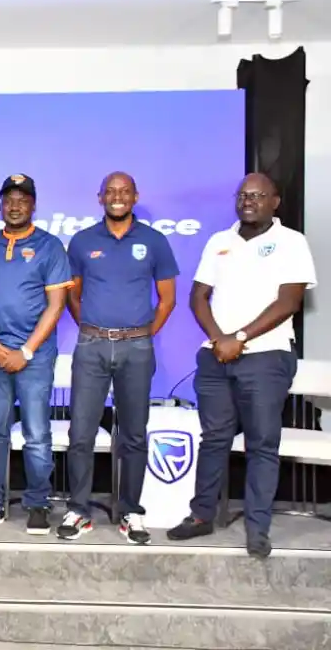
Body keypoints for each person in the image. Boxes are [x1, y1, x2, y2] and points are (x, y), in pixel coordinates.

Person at [166, 173, 316, 558]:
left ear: (275, 201)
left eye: (258, 195)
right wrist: (220, 340)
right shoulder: (220, 241)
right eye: (243, 195)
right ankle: (202, 516)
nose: (248, 201)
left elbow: (289, 302)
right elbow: (199, 296)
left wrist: (241, 338)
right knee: (213, 438)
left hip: (266, 357)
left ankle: (257, 527)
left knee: (262, 443)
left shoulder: (291, 242)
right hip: (216, 356)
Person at [58, 172, 179, 545]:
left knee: (134, 434)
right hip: (91, 346)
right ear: (99, 198)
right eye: (110, 192)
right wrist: (95, 330)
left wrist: (140, 335)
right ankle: (79, 510)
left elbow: (168, 299)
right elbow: (72, 296)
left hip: (137, 349)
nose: (117, 197)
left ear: (135, 196)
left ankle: (130, 512)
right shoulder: (81, 241)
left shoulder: (154, 241)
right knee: (80, 433)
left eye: (124, 192)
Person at [0, 174, 72, 535]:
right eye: (9, 200)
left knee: (36, 433)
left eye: (22, 200)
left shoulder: (50, 246)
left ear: (33, 205)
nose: (15, 206)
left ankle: (38, 503)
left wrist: (26, 351)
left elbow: (56, 305)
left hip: (36, 357)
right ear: (1, 205)